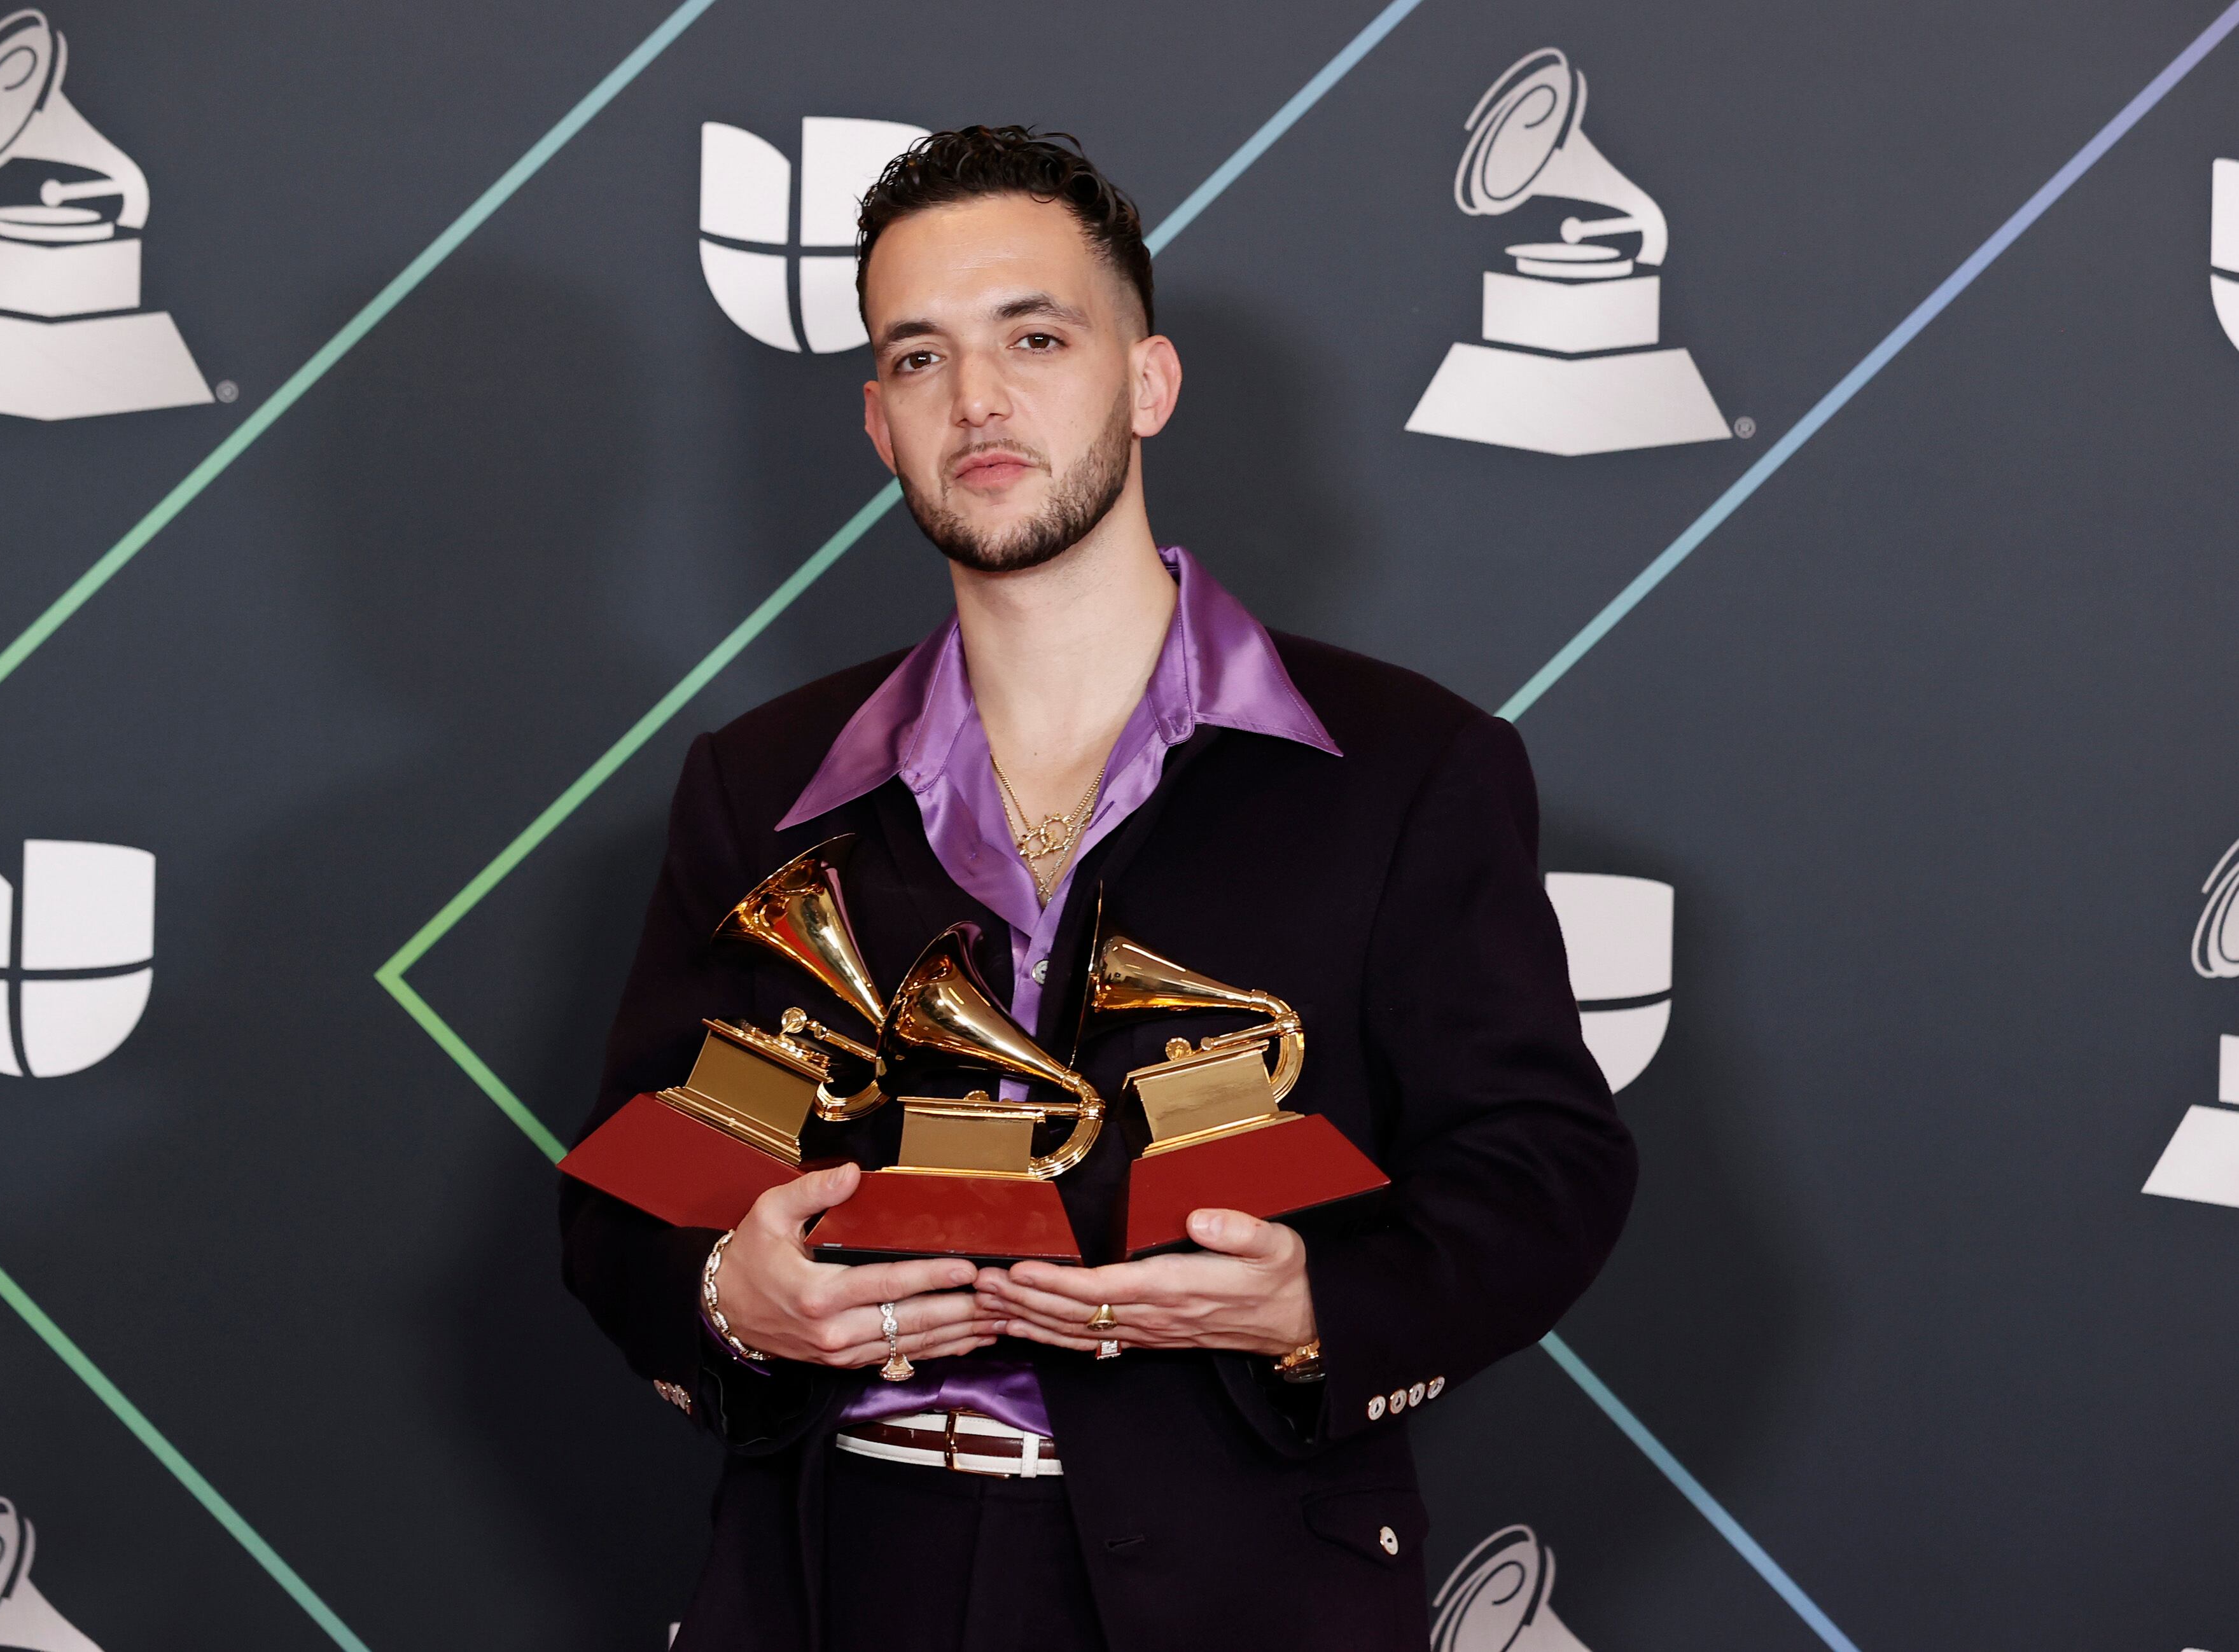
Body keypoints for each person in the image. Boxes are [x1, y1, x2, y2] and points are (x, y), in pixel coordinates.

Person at [560, 126, 1635, 1651]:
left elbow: (1542, 1168)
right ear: (879, 423)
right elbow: (626, 1195)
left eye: (1035, 336)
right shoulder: (755, 780)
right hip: (832, 1571)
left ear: (1148, 383)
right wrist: (734, 1299)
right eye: (918, 358)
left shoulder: (1410, 764)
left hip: (1239, 1582)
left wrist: (1317, 1305)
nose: (977, 398)